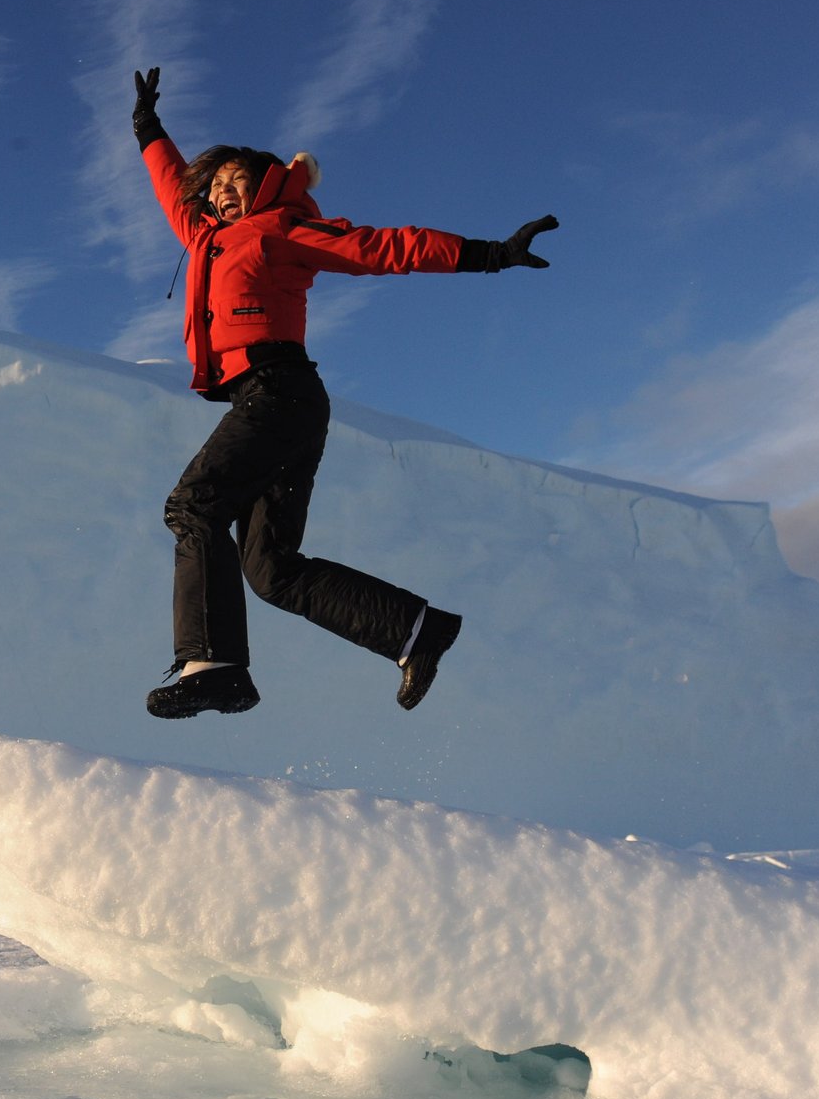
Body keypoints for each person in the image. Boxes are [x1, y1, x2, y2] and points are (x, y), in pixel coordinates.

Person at [131, 66, 557, 719]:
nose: (221, 194)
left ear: (265, 179)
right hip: (271, 403)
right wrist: (148, 126)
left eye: (234, 180)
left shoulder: (280, 226)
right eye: (214, 188)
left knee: (194, 506)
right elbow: (171, 191)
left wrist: (489, 253)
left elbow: (381, 246)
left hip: (280, 393)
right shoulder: (207, 240)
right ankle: (414, 629)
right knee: (269, 570)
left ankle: (213, 665)